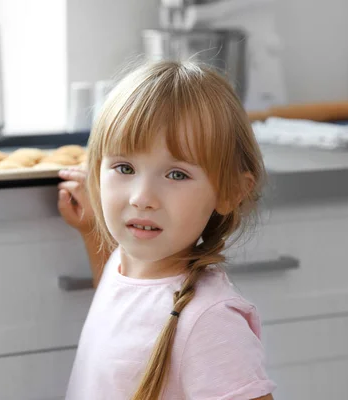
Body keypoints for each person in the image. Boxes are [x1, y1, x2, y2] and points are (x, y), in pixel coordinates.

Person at [57, 60, 276, 400]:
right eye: (124, 167)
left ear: (231, 191)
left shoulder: (210, 322)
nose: (142, 198)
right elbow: (126, 303)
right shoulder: (124, 262)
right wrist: (89, 229)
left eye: (176, 174)